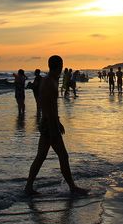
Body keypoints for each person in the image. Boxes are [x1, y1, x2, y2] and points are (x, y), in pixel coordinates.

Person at [25, 55, 88, 196]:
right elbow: (47, 107)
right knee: (63, 156)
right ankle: (72, 187)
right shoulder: (48, 82)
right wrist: (54, 126)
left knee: (41, 156)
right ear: (59, 66)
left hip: (49, 122)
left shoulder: (52, 80)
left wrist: (57, 121)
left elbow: (51, 105)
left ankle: (28, 187)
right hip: (49, 124)